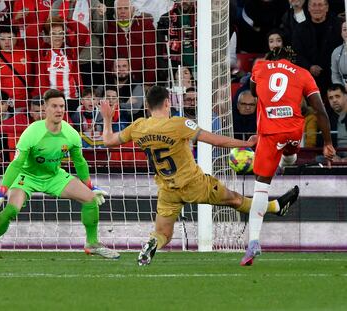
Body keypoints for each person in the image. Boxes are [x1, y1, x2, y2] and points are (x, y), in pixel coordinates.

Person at [100, 85, 300, 266]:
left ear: (148, 105)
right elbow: (215, 140)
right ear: (168, 102)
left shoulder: (138, 127)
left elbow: (108, 140)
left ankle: (152, 242)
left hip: (167, 189)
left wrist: (108, 119)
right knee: (235, 199)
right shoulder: (179, 124)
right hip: (195, 184)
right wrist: (246, 144)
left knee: (163, 234)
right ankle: (274, 207)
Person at [0, 89, 120, 260]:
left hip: (54, 176)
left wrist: (90, 185)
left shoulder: (71, 133)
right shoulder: (32, 132)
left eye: (61, 106)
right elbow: (16, 164)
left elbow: (80, 162)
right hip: (27, 176)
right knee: (11, 210)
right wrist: (1, 192)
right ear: (45, 109)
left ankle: (92, 244)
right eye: (54, 106)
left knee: (90, 199)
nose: (59, 110)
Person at [242, 46, 335, 266]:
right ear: (292, 59)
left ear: (271, 57)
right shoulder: (303, 73)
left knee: (261, 187)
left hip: (270, 133)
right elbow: (320, 110)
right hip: (293, 131)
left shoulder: (261, 67)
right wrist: (328, 143)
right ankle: (286, 161)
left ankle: (254, 241)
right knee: (291, 155)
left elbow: (253, 92)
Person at [327, 84, 347, 159]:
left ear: (345, 96)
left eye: (337, 96)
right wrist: (332, 156)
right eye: (331, 98)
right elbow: (320, 143)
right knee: (318, 159)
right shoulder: (326, 117)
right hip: (334, 156)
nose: (334, 100)